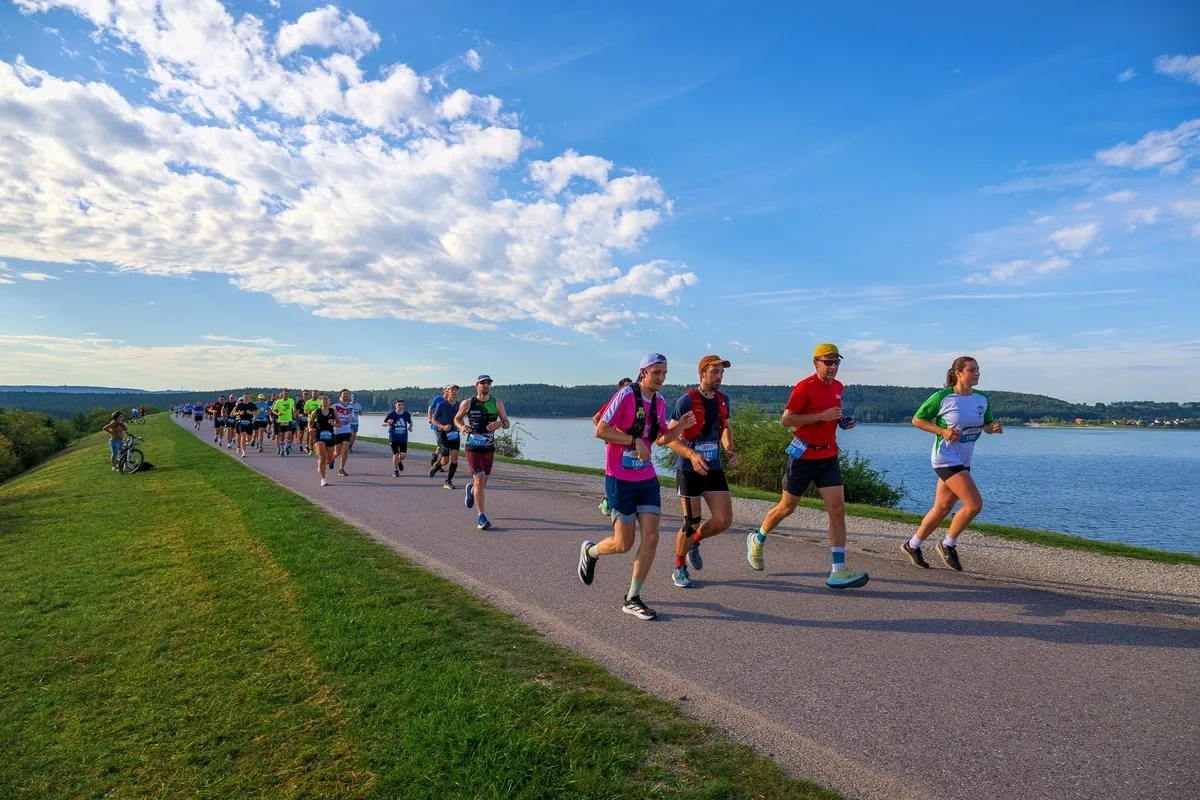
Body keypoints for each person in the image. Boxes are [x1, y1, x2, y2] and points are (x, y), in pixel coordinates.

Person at [577, 353, 693, 621]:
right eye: (656, 373)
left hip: (646, 479)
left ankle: (632, 597)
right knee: (623, 543)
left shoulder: (661, 401)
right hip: (619, 477)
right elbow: (601, 430)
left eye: (664, 373)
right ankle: (591, 551)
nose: (661, 378)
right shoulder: (627, 395)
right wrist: (633, 441)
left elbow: (661, 438)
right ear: (643, 372)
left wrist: (680, 428)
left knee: (652, 536)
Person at [746, 343, 869, 589]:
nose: (833, 367)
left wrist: (842, 422)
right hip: (802, 457)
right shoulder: (805, 387)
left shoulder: (838, 387)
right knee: (787, 507)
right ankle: (757, 540)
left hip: (828, 456)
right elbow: (786, 420)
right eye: (828, 362)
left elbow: (830, 416)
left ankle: (838, 570)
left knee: (837, 509)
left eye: (836, 362)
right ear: (816, 363)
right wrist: (821, 416)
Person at [902, 356, 1003, 571]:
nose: (977, 373)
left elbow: (985, 424)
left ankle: (913, 545)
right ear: (958, 373)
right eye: (972, 370)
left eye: (978, 370)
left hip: (964, 459)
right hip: (945, 458)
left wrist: (992, 428)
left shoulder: (982, 399)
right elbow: (917, 420)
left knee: (942, 507)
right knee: (974, 504)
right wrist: (943, 431)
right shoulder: (943, 397)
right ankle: (948, 544)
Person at [664, 355, 739, 589]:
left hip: (713, 467)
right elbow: (669, 438)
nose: (719, 377)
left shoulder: (722, 400)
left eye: (721, 373)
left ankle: (694, 543)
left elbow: (725, 427)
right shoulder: (686, 401)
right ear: (702, 373)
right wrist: (693, 455)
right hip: (688, 469)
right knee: (691, 523)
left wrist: (729, 448)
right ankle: (679, 567)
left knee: (724, 520)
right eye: (714, 372)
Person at [454, 374, 511, 530]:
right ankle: (481, 517)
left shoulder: (497, 403)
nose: (486, 385)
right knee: (479, 479)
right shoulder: (468, 403)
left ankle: (471, 490)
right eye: (483, 383)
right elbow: (457, 419)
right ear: (476, 386)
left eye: (488, 383)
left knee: (483, 481)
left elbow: (507, 423)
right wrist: (462, 427)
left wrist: (500, 423)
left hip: (488, 447)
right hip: (472, 447)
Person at [593, 377, 634, 517]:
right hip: (615, 443)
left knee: (630, 468)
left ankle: (629, 500)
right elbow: (596, 419)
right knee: (613, 471)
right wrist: (608, 436)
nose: (629, 390)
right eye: (626, 387)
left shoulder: (634, 402)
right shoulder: (614, 402)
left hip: (629, 444)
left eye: (631, 387)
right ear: (620, 389)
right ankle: (607, 501)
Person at [429, 384, 461, 489]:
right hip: (443, 434)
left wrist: (463, 427)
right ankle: (436, 466)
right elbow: (433, 420)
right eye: (452, 390)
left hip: (455, 434)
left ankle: (448, 481)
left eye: (456, 390)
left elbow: (460, 419)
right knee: (445, 461)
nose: (454, 392)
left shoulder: (459, 405)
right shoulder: (441, 405)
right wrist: (442, 426)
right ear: (447, 392)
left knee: (455, 458)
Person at [311, 394, 339, 486]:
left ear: (330, 402)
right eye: (324, 399)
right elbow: (310, 422)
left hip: (330, 436)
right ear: (321, 401)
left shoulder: (333, 411)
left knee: (329, 460)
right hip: (319, 435)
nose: (326, 401)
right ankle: (323, 479)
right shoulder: (316, 411)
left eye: (327, 400)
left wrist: (334, 423)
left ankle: (320, 463)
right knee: (322, 456)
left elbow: (340, 424)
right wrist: (310, 428)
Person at [382, 399, 412, 477]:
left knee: (403, 455)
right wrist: (387, 423)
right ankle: (396, 470)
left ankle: (399, 461)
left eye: (402, 405)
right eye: (399, 404)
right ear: (395, 405)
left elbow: (410, 422)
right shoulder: (391, 414)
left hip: (403, 437)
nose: (400, 406)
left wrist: (410, 427)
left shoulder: (407, 414)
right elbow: (383, 423)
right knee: (395, 454)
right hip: (393, 437)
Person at [332, 389, 355, 476]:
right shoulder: (335, 406)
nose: (345, 395)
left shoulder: (351, 407)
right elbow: (331, 417)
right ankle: (332, 459)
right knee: (337, 452)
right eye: (344, 394)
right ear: (340, 396)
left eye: (347, 394)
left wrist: (350, 419)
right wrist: (335, 422)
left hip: (347, 430)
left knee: (345, 450)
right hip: (337, 431)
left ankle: (341, 469)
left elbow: (352, 418)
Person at [428, 388, 449, 470]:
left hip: (448, 427)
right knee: (441, 445)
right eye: (447, 390)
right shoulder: (438, 399)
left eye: (450, 390)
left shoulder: (451, 400)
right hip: (437, 425)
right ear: (444, 391)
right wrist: (429, 417)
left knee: (445, 446)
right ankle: (437, 462)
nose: (449, 392)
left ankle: (436, 456)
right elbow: (430, 407)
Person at [273, 389, 297, 456]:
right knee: (282, 436)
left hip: (289, 420)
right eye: (284, 394)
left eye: (287, 394)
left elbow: (293, 407)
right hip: (281, 421)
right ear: (282, 394)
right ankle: (282, 450)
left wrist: (294, 411)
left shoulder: (291, 400)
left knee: (289, 434)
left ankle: (287, 445)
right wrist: (277, 414)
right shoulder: (278, 402)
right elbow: (273, 410)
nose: (286, 395)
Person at [233, 393, 256, 457]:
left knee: (249, 438)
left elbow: (257, 412)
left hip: (249, 422)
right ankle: (244, 452)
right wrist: (239, 413)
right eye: (245, 396)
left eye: (247, 397)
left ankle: (247, 441)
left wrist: (251, 412)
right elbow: (234, 413)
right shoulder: (240, 405)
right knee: (243, 436)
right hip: (241, 421)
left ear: (249, 398)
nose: (246, 398)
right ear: (243, 398)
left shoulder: (252, 405)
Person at [303, 391, 322, 455]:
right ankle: (311, 449)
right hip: (311, 420)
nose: (315, 395)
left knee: (318, 436)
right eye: (314, 394)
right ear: (312, 395)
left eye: (316, 394)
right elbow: (305, 411)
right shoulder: (308, 402)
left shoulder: (320, 401)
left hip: (319, 420)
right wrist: (309, 411)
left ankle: (317, 449)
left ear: (317, 395)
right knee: (311, 435)